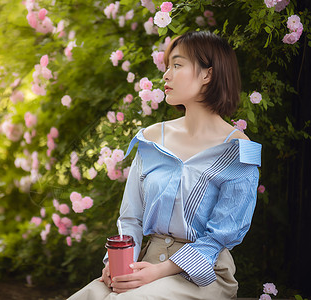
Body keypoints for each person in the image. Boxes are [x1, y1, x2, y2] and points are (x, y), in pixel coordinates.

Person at [68, 31, 261, 300]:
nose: (166, 75)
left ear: (207, 74)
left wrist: (158, 272)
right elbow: (130, 218)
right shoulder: (150, 139)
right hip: (144, 262)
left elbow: (219, 237)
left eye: (177, 65)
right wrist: (116, 263)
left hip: (203, 275)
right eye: (167, 66)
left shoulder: (238, 151)